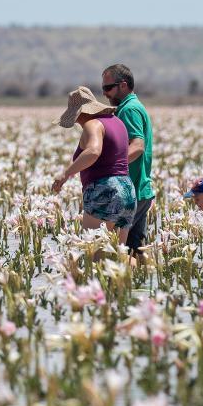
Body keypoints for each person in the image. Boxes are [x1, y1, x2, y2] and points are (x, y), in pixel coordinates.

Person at [50, 86, 136, 242]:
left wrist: (65, 174)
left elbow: (93, 152)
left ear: (82, 112)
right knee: (120, 255)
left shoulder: (93, 124)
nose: (76, 121)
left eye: (76, 117)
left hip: (104, 190)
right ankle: (149, 267)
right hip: (127, 190)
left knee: (95, 257)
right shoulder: (117, 122)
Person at [102, 64, 155, 259]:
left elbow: (138, 146)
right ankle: (145, 287)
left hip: (131, 191)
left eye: (108, 88)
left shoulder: (129, 110)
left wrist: (110, 167)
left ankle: (126, 287)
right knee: (136, 250)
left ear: (123, 85)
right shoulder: (133, 106)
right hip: (140, 189)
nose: (105, 94)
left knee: (120, 251)